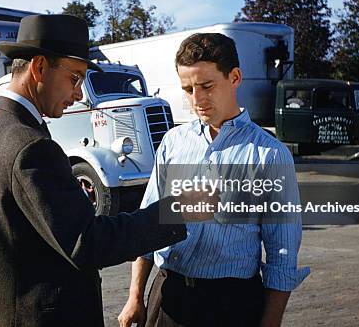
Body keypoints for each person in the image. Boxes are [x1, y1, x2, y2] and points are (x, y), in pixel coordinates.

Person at [0, 14, 190, 327]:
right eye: (74, 77)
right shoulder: (30, 145)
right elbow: (87, 243)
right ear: (40, 68)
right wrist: (176, 213)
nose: (77, 93)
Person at [118, 33, 310, 327]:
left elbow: (281, 253)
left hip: (231, 306)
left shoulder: (269, 155)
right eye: (188, 89)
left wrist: (270, 322)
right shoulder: (173, 142)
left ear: (234, 78)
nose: (197, 100)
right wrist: (135, 296)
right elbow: (149, 224)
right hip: (169, 296)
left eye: (206, 86)